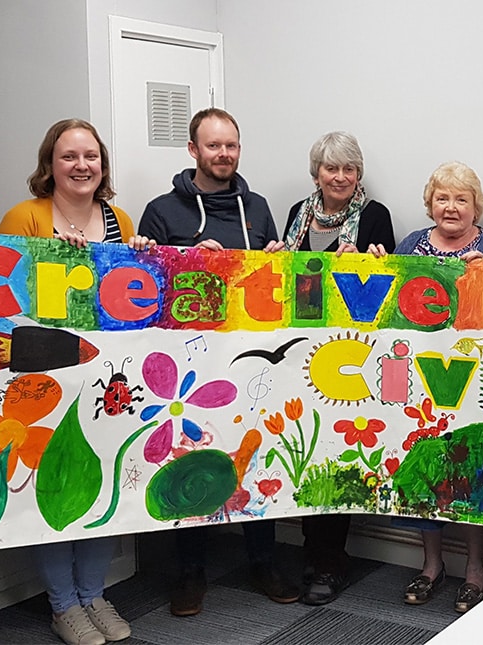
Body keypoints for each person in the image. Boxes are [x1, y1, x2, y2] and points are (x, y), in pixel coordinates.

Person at [0, 119, 151, 645]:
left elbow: (127, 300)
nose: (81, 166)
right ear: (50, 164)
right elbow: (2, 298)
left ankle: (94, 594)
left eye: (91, 156)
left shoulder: (119, 219)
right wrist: (53, 261)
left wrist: (141, 260)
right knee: (54, 485)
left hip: (106, 378)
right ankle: (64, 604)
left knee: (102, 478)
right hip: (45, 376)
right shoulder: (26, 216)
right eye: (69, 156)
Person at [136, 108, 289, 617]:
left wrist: (274, 258)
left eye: (231, 145)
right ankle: (190, 571)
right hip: (190, 365)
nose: (223, 154)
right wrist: (187, 257)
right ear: (193, 150)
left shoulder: (258, 207)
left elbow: (272, 286)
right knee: (192, 455)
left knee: (257, 450)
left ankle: (263, 561)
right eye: (213, 145)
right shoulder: (161, 211)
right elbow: (145, 290)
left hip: (250, 357)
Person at [392, 161, 483, 613]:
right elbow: (391, 308)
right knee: (427, 465)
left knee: (471, 469)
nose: (451, 207)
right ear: (430, 204)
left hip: (475, 378)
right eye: (442, 198)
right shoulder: (410, 245)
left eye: (461, 199)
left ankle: (475, 569)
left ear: (475, 207)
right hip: (422, 376)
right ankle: (431, 565)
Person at [279, 131, 396, 605]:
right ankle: (313, 552)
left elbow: (388, 283)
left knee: (337, 452)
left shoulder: (375, 216)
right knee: (303, 447)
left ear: (359, 173)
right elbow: (288, 276)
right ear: (317, 174)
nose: (341, 177)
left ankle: (330, 560)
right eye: (332, 168)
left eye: (349, 169)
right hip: (299, 349)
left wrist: (369, 263)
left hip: (348, 354)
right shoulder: (297, 213)